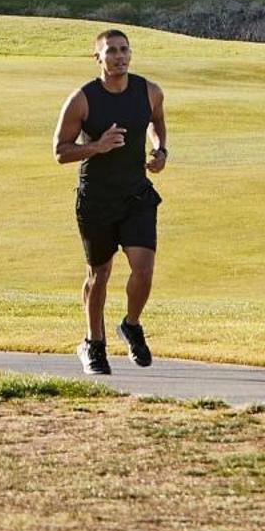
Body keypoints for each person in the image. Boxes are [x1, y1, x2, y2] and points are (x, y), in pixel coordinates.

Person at [51, 28, 167, 374]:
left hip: (136, 193)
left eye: (124, 50)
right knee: (99, 274)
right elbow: (60, 151)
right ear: (98, 58)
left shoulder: (149, 91)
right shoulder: (82, 99)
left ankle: (131, 324)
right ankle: (93, 344)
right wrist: (97, 147)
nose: (119, 57)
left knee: (143, 271)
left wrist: (160, 150)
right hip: (96, 198)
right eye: (111, 51)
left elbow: (156, 123)